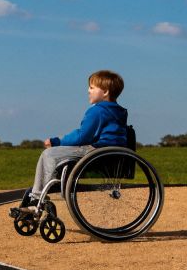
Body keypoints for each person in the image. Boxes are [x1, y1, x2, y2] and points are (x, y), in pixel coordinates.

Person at [13, 69, 130, 210]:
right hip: (113, 155)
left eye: (92, 87)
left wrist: (56, 141)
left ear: (105, 92)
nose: (88, 90)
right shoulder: (119, 112)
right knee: (56, 154)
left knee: (49, 153)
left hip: (97, 152)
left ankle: (36, 197)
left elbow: (82, 136)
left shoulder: (97, 111)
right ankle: (43, 188)